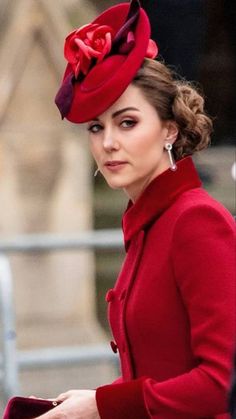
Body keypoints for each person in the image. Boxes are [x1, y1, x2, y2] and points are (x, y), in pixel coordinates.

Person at [35, 0, 235, 418]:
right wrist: (87, 401)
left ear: (169, 129)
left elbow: (221, 385)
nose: (108, 142)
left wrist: (101, 405)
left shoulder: (195, 220)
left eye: (127, 123)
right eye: (96, 127)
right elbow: (159, 373)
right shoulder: (147, 226)